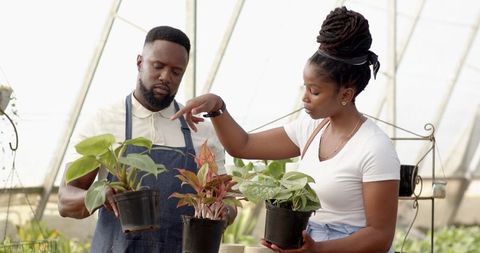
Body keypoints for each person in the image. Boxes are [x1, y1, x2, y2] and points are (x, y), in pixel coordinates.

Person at [172, 7, 400, 253]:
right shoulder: (312, 128)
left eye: (314, 91)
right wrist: (217, 107)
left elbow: (380, 236)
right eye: (305, 87)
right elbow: (243, 146)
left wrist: (318, 249)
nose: (305, 98)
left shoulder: (375, 148)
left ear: (346, 94)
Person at [58, 26, 233, 253]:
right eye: (158, 66)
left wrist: (223, 214)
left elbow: (226, 201)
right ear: (140, 62)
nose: (165, 77)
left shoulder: (202, 131)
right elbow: (65, 200)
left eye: (176, 72)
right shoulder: (104, 122)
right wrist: (99, 194)